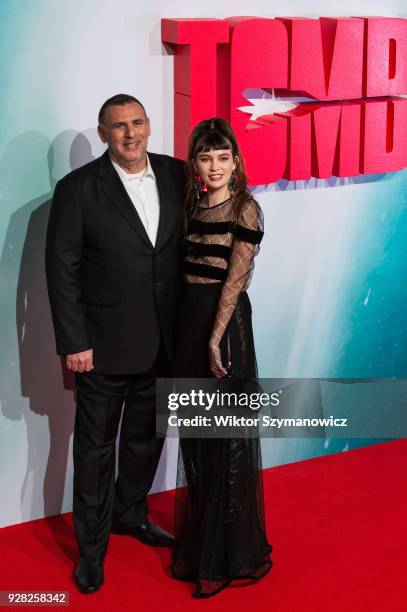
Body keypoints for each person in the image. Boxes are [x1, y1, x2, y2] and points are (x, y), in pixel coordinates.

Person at [45, 94, 185, 594]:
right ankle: (92, 550)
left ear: (149, 125)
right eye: (118, 126)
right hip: (101, 349)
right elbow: (61, 272)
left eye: (138, 122)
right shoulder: (78, 189)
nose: (131, 134)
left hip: (164, 344)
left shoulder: (177, 174)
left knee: (147, 442)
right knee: (95, 452)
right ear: (102, 134)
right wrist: (74, 340)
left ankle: (131, 514)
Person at [171, 118, 273, 598]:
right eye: (205, 157)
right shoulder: (191, 205)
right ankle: (201, 544)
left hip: (224, 330)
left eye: (223, 156)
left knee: (225, 441)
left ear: (236, 162)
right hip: (190, 330)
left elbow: (235, 282)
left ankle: (227, 554)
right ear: (195, 163)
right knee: (197, 439)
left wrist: (213, 341)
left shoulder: (246, 210)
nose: (214, 166)